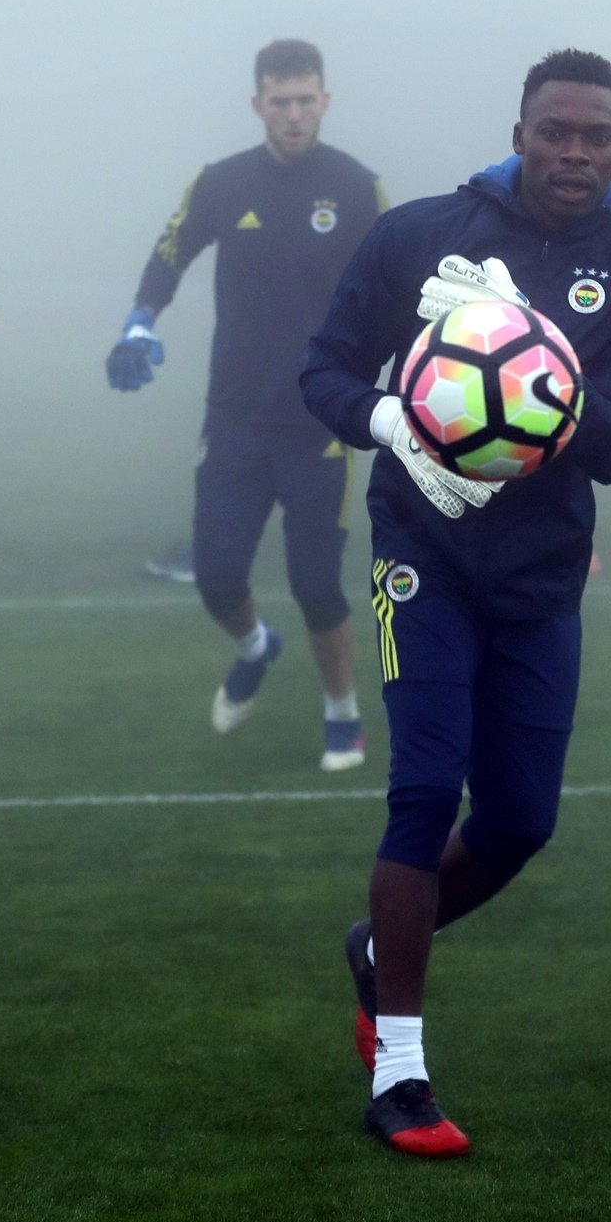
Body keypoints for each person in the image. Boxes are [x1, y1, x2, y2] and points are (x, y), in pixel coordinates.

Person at [300, 49, 611, 1156]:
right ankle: (403, 1073)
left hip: (541, 575)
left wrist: (535, 373)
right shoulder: (420, 235)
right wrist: (390, 421)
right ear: (519, 131)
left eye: (596, 138)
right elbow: (323, 370)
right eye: (554, 131)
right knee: (424, 789)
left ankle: (378, 953)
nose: (572, 154)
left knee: (520, 821)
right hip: (421, 551)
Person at [107, 39, 387, 771]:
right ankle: (257, 646)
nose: (294, 113)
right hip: (232, 416)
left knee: (316, 583)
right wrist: (141, 320)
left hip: (319, 422)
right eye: (280, 100)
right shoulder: (222, 184)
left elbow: (396, 282)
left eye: (305, 100)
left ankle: (341, 711)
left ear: (324, 101)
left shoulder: (358, 188)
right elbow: (169, 253)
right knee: (218, 575)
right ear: (258, 103)